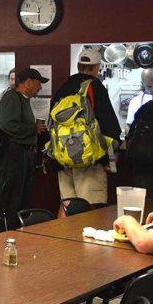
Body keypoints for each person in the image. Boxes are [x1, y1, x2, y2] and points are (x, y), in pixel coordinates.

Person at [50, 48, 121, 212]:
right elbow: (108, 125)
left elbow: (51, 123)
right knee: (90, 209)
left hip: (63, 159)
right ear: (97, 68)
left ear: (78, 65)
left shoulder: (64, 88)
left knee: (68, 206)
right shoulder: (95, 87)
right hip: (89, 160)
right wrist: (111, 158)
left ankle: (63, 238)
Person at [0, 68, 48, 227]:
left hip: (24, 154)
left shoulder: (23, 99)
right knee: (13, 196)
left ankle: (17, 229)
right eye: (38, 84)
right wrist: (33, 129)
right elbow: (7, 124)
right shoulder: (12, 97)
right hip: (15, 154)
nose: (40, 87)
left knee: (22, 196)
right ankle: (9, 230)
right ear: (28, 82)